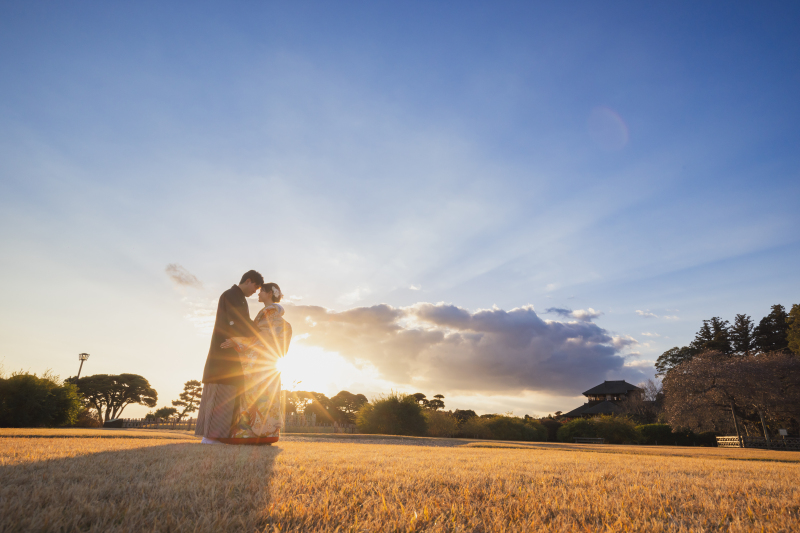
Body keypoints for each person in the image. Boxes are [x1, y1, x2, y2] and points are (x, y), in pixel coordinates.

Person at [217, 282, 292, 444]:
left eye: (261, 291)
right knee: (266, 396)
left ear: (269, 293)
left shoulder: (270, 314)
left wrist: (238, 341)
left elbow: (263, 338)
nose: (258, 294)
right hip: (268, 363)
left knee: (255, 396)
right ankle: (268, 433)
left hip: (261, 363)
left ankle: (252, 433)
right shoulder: (269, 314)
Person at [195, 270, 264, 444]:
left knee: (230, 393)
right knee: (219, 393)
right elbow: (238, 321)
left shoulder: (239, 298)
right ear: (248, 281)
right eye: (255, 287)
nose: (254, 292)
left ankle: (222, 436)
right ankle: (210, 437)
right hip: (223, 352)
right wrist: (260, 333)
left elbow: (243, 321)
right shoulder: (231, 295)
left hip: (233, 353)